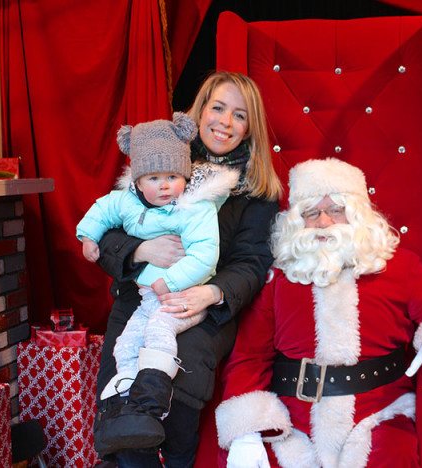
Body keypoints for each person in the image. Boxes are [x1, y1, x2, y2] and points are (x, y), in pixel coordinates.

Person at [215, 158, 422, 468]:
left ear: (357, 214)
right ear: (296, 221)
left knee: (392, 454)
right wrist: (246, 431)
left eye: (335, 210)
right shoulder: (277, 279)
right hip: (294, 418)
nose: (323, 222)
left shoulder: (398, 266)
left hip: (379, 413)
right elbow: (250, 357)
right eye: (311, 213)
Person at [93, 71, 283, 466]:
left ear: (250, 129)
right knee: (124, 409)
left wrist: (212, 293)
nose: (225, 122)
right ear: (199, 111)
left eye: (239, 115)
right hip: (140, 300)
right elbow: (107, 232)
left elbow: (251, 262)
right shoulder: (159, 158)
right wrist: (141, 249)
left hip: (201, 310)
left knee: (178, 407)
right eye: (217, 108)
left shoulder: (257, 191)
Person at [77, 112, 239, 451]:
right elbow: (101, 210)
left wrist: (171, 282)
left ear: (184, 175)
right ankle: (131, 400)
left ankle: (153, 394)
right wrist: (88, 237)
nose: (163, 184)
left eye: (171, 175)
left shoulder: (195, 209)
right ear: (137, 181)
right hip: (148, 297)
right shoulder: (126, 201)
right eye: (153, 177)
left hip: (185, 296)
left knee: (157, 332)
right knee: (125, 344)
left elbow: (205, 255)